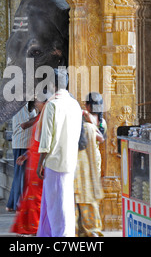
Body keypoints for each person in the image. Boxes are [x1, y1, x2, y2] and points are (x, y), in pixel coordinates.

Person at [36, 68, 82, 237]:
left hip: (55, 161)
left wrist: (40, 162)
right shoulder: (74, 104)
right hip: (70, 159)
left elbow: (46, 139)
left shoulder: (53, 105)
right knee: (58, 202)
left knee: (58, 207)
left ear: (51, 84)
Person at [11, 91, 50, 236]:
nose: (36, 103)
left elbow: (46, 143)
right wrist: (26, 155)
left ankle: (36, 227)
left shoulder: (47, 118)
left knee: (38, 195)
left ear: (45, 103)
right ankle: (31, 227)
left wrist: (40, 162)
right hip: (33, 159)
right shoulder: (40, 117)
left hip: (40, 161)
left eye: (38, 101)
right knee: (31, 193)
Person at [74, 92, 107, 237]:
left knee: (83, 193)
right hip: (92, 160)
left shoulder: (94, 122)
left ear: (88, 105)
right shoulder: (98, 120)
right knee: (89, 192)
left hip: (85, 160)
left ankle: (85, 229)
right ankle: (87, 229)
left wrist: (89, 121)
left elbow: (101, 138)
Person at [6, 102, 36, 212]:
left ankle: (11, 203)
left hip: (27, 143)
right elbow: (24, 125)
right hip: (21, 144)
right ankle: (18, 203)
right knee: (20, 175)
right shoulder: (21, 106)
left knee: (20, 174)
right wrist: (40, 116)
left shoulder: (31, 107)